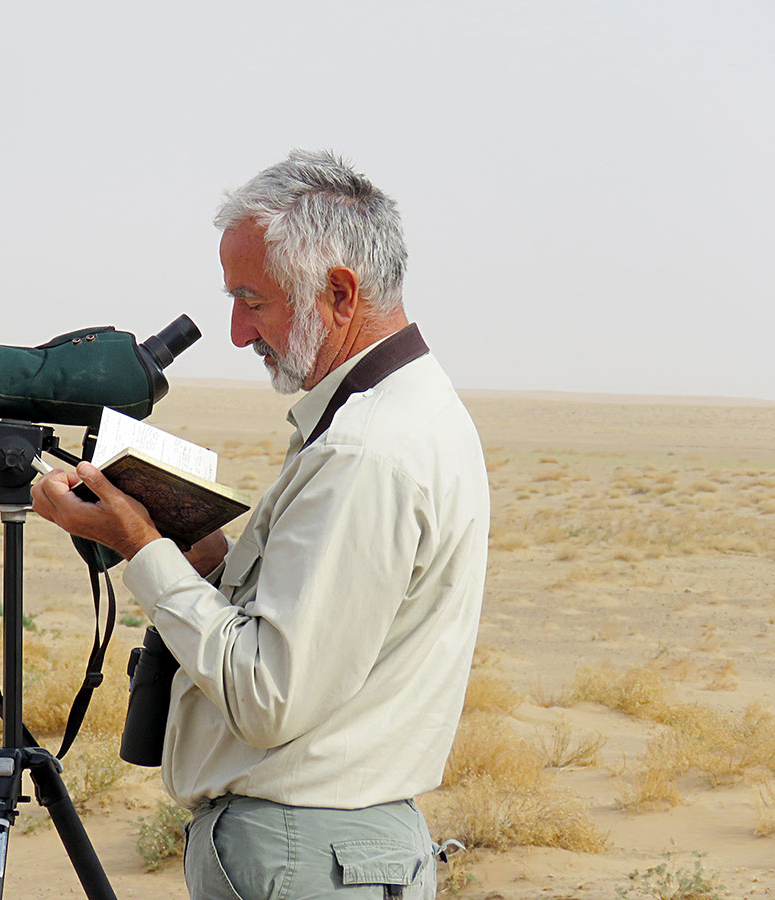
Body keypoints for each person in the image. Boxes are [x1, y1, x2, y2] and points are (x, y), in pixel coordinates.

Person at [31, 150, 489, 900]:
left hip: (306, 853)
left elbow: (268, 696)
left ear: (339, 293)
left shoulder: (364, 452)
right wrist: (200, 549)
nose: (239, 332)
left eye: (254, 299)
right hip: (328, 849)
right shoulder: (402, 411)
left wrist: (140, 547)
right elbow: (318, 633)